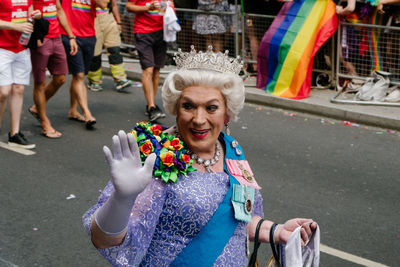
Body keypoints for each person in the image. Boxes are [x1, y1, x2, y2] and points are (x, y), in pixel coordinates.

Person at [83, 46, 317, 266]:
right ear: (176, 108)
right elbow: (105, 240)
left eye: (212, 107)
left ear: (228, 114)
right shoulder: (158, 156)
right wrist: (122, 199)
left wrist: (278, 231)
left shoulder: (231, 150)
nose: (198, 118)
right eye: (189, 106)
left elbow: (238, 219)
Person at [28, 0, 78, 139]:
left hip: (57, 38)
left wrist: (71, 36)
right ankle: (45, 122)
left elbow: (59, 10)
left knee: (61, 78)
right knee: (40, 82)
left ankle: (37, 108)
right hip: (41, 39)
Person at [60, 0, 108, 130]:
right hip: (71, 36)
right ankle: (87, 114)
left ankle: (73, 110)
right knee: (79, 75)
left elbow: (103, 4)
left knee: (78, 76)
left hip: (89, 36)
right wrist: (70, 36)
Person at [0, 1, 41, 149]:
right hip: (2, 48)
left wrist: (36, 15)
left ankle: (14, 133)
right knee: (3, 92)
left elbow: (29, 13)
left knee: (19, 89)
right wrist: (15, 26)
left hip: (22, 47)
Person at [126, 0, 168, 122]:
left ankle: (151, 103)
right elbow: (129, 7)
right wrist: (147, 8)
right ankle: (151, 107)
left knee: (156, 70)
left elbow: (170, 5)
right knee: (148, 69)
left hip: (161, 32)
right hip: (143, 32)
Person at [87, 0, 133, 92]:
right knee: (95, 53)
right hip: (93, 19)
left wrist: (118, 22)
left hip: (109, 18)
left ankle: (120, 79)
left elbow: (114, 5)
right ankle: (94, 81)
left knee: (115, 50)